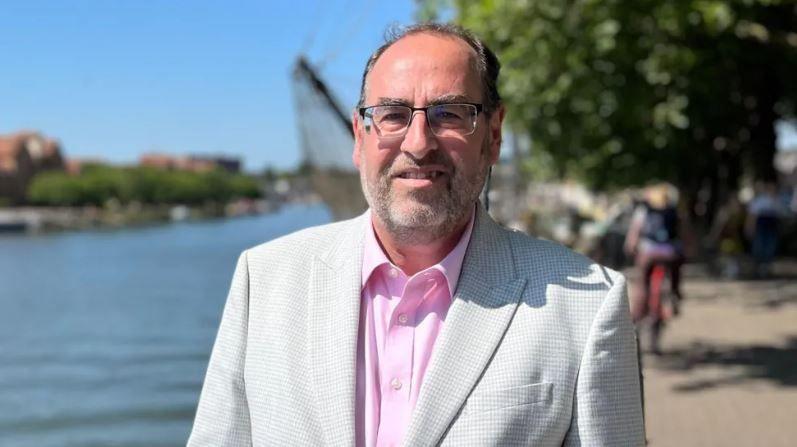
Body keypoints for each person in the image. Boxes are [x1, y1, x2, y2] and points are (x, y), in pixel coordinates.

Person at [188, 23, 644, 446]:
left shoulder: (587, 307)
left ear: (494, 134)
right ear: (359, 135)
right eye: (393, 114)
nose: (418, 143)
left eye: (449, 113)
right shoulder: (262, 282)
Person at [624, 183, 685, 324]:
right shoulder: (674, 210)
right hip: (671, 253)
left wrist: (631, 246)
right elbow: (683, 231)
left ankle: (639, 310)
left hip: (648, 254)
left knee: (642, 281)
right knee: (676, 271)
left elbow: (635, 232)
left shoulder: (644, 210)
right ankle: (675, 294)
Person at [746, 181, 783, 278]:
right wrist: (750, 227)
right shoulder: (760, 200)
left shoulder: (777, 200)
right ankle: (757, 270)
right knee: (759, 248)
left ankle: (766, 270)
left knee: (770, 249)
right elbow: (752, 216)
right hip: (761, 228)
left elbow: (780, 215)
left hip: (771, 228)